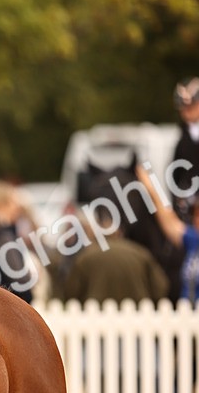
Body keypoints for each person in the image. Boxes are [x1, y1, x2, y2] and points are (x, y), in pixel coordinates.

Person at [61, 207, 169, 304]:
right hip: (136, 317)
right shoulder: (140, 253)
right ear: (120, 231)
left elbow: (71, 292)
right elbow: (160, 288)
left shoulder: (85, 257)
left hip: (96, 319)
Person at [137, 164, 199, 303]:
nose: (196, 220)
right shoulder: (193, 240)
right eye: (196, 215)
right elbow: (169, 220)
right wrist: (150, 187)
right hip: (188, 316)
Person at [171, 78, 199, 217]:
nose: (186, 112)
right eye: (183, 108)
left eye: (190, 107)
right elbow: (177, 174)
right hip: (189, 205)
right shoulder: (182, 138)